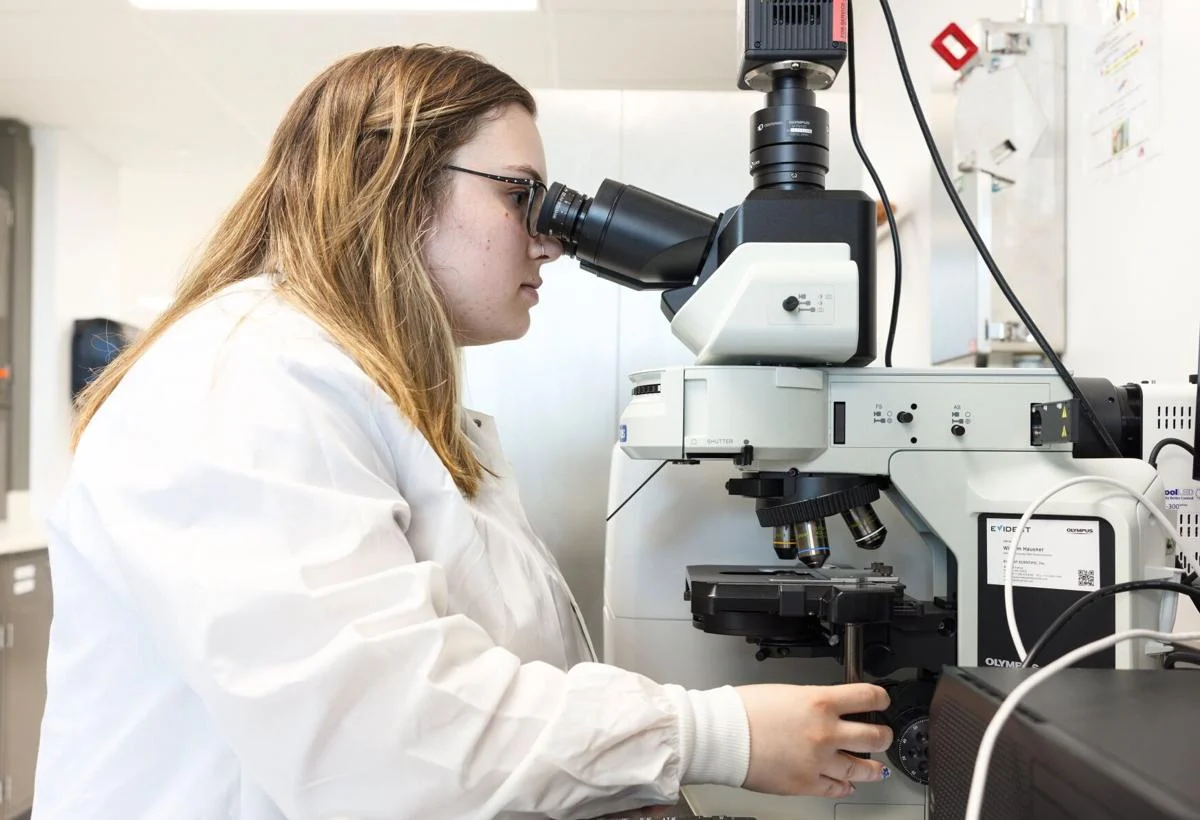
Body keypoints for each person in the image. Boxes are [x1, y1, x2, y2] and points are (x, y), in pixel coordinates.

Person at [33, 45, 893, 820]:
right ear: (395, 183)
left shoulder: (387, 395)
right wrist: (713, 734)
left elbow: (477, 682)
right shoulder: (242, 384)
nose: (552, 239)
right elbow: (377, 742)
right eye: (523, 194)